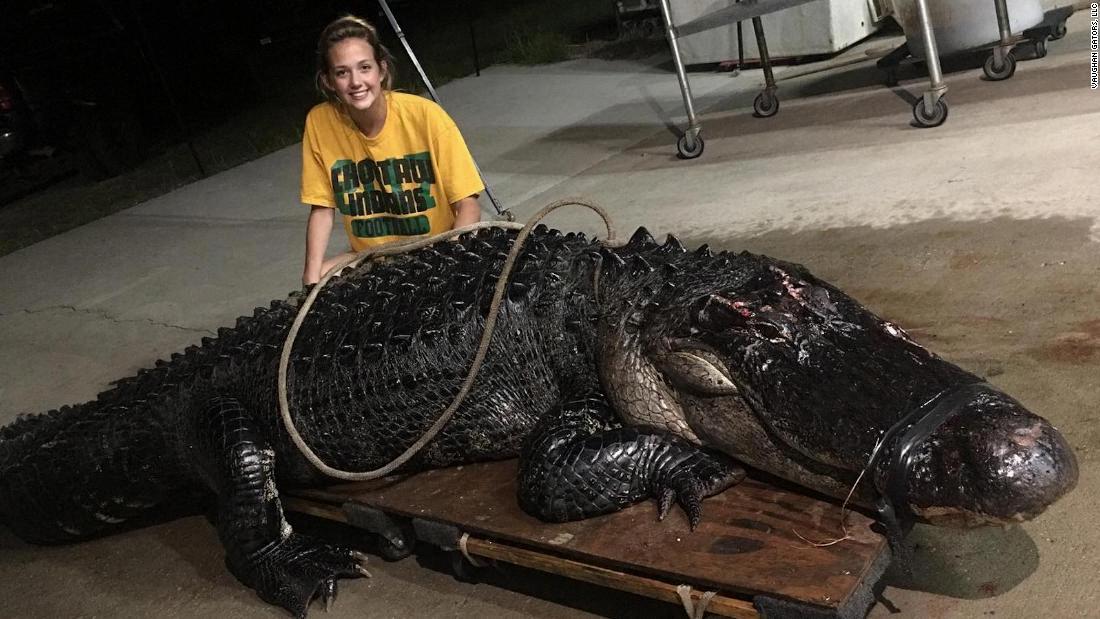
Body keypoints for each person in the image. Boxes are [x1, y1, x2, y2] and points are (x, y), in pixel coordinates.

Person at [300, 14, 484, 286]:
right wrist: (310, 279)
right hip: (371, 256)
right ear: (328, 81)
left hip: (436, 248)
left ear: (381, 70)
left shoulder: (426, 116)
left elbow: (468, 205)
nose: (356, 82)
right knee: (321, 278)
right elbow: (322, 210)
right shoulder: (319, 122)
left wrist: (450, 256)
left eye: (364, 68)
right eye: (342, 72)